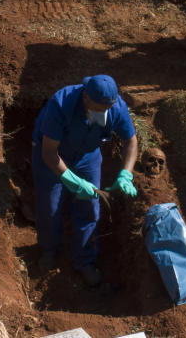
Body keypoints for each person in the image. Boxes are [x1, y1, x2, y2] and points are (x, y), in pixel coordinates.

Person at [31, 74, 139, 286]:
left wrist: (126, 173)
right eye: (98, 108)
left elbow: (131, 141)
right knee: (50, 207)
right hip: (52, 155)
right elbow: (49, 154)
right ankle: (49, 250)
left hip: (87, 156)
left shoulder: (116, 109)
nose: (102, 113)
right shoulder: (61, 104)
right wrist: (73, 181)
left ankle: (84, 260)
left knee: (90, 208)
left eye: (106, 108)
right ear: (86, 97)